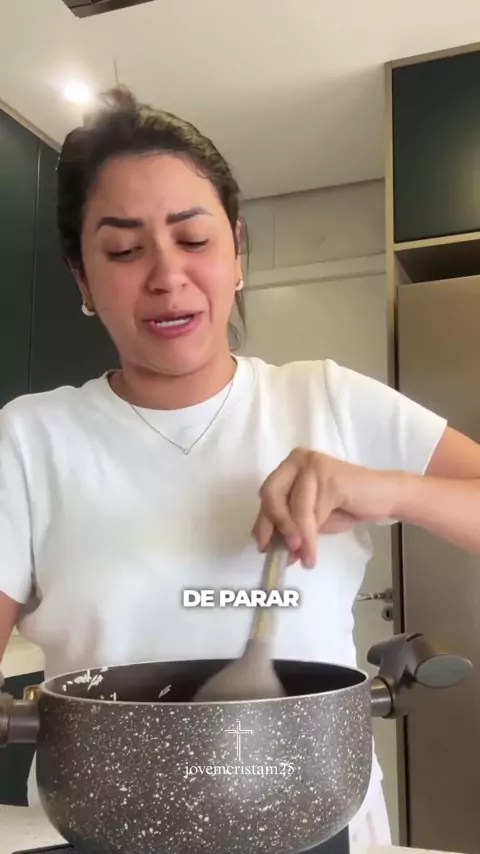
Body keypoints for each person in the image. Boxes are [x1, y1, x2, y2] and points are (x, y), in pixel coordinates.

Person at [1, 86, 480, 845]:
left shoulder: (329, 399)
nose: (167, 275)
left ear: (237, 253)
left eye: (193, 239)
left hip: (318, 819)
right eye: (124, 250)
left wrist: (387, 489)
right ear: (83, 280)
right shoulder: (30, 439)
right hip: (106, 823)